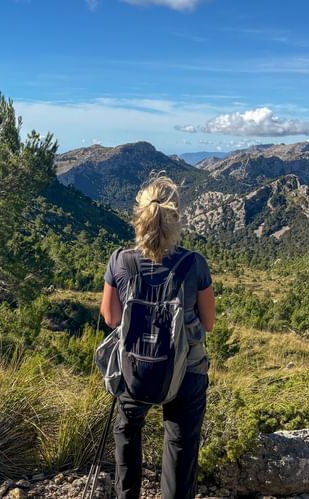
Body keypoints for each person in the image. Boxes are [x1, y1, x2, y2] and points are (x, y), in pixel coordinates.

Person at [101, 175, 215, 499]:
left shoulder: (120, 261)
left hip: (136, 368)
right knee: (180, 449)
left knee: (126, 430)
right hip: (186, 373)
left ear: (139, 216)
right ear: (175, 219)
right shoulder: (195, 264)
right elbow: (208, 323)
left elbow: (110, 317)